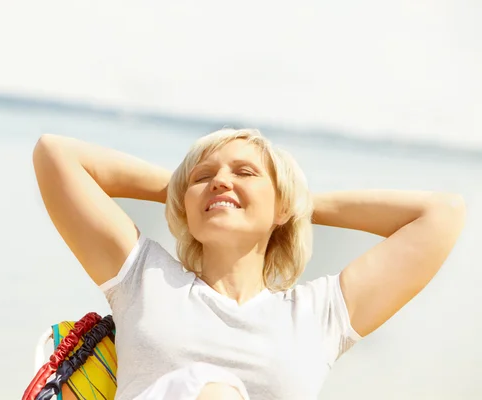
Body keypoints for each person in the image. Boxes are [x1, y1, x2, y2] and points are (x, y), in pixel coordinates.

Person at [32, 128, 465, 400]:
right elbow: (55, 154)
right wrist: (184, 188)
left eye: (245, 172)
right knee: (213, 390)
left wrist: (295, 200)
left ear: (282, 208)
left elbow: (441, 215)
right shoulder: (144, 278)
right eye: (205, 175)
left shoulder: (319, 316)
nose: (221, 179)